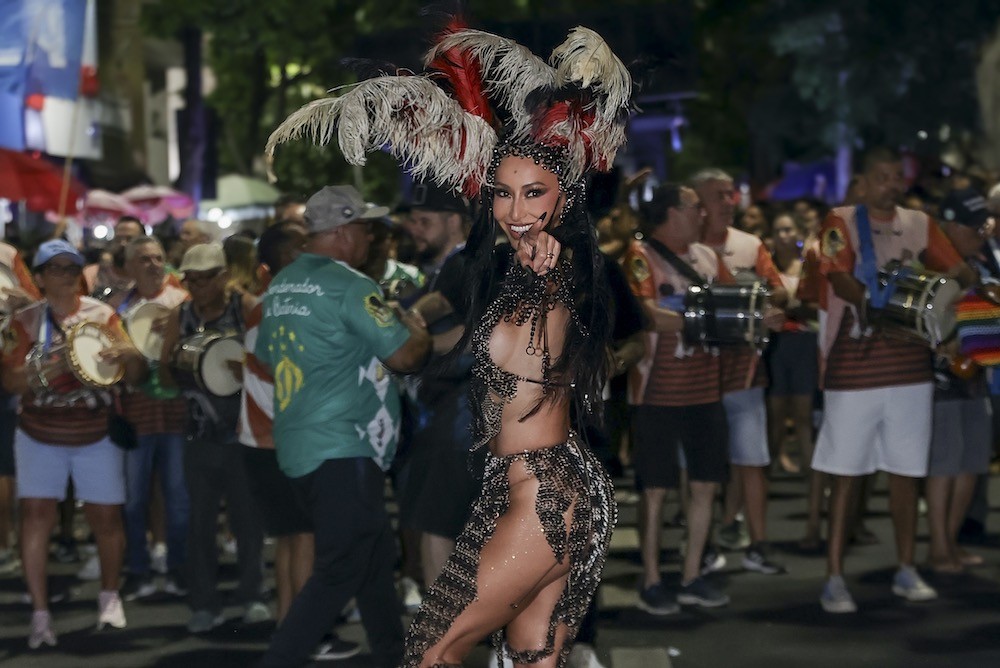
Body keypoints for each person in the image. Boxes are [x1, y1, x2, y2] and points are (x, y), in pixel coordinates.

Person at [265, 17, 631, 667]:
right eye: (503, 194)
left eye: (534, 194)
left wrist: (541, 268)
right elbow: (468, 345)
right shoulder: (509, 269)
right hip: (534, 485)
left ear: (566, 200)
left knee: (431, 649)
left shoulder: (557, 269)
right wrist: (421, 334)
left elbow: (551, 304)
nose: (516, 210)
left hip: (543, 492)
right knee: (530, 657)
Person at [254, 184, 429, 668]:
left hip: (299, 442)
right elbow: (405, 356)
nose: (371, 239)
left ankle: (397, 654)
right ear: (344, 232)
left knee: (374, 559)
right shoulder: (352, 286)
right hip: (344, 444)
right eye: (365, 229)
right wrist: (417, 329)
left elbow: (267, 357)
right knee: (340, 567)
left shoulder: (282, 284)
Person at [812, 147, 975, 613]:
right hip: (854, 366)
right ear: (863, 182)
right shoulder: (839, 221)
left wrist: (951, 313)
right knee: (846, 475)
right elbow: (839, 279)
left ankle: (907, 568)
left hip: (910, 369)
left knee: (907, 472)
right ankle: (834, 577)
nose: (891, 184)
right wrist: (877, 307)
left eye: (896, 177)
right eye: (881, 177)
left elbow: (959, 272)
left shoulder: (920, 223)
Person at [1, 239, 148, 647]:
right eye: (58, 268)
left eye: (73, 268)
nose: (67, 275)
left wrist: (129, 355)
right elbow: (9, 381)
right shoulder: (25, 321)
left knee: (106, 518)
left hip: (95, 431)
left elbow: (133, 374)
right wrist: (52, 367)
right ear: (42, 276)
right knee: (35, 517)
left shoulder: (103, 315)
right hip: (38, 434)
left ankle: (108, 596)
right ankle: (41, 614)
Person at [625, 183, 734, 612]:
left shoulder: (708, 258)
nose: (702, 215)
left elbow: (731, 303)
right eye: (694, 208)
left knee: (706, 482)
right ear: (672, 212)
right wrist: (704, 323)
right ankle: (652, 578)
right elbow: (646, 315)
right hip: (656, 391)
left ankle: (691, 574)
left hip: (706, 388)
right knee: (656, 489)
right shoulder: (640, 257)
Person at [159, 242, 266, 633]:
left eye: (206, 278)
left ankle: (253, 595)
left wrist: (246, 370)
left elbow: (272, 360)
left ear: (223, 276)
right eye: (191, 279)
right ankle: (203, 602)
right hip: (199, 434)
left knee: (248, 520)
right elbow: (166, 377)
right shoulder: (180, 314)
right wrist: (178, 363)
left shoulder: (248, 307)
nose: (198, 286)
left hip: (243, 433)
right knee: (199, 523)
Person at [694, 168, 787, 575]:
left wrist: (772, 306)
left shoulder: (750, 245)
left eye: (732, 194)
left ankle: (759, 542)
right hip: (697, 375)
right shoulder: (684, 250)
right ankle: (705, 542)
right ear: (696, 202)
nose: (730, 202)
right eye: (720, 195)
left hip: (746, 370)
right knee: (702, 466)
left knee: (752, 460)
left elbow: (778, 288)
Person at [117, 236, 191, 601]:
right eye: (144, 259)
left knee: (178, 496)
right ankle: (138, 570)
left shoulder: (182, 302)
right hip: (136, 413)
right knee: (133, 499)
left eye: (158, 258)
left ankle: (177, 567)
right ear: (130, 266)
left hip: (176, 413)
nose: (153, 264)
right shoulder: (118, 307)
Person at [926, 188, 994, 572]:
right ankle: (937, 548)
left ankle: (949, 543)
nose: (981, 232)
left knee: (971, 462)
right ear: (949, 225)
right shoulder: (930, 261)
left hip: (976, 373)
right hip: (941, 379)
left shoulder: (981, 260)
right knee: (946, 464)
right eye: (973, 226)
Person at [0, 240, 41, 574]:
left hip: (6, 372)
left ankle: (4, 543)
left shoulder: (8, 254)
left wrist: (22, 301)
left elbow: (35, 308)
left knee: (3, 466)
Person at [83, 216, 145, 307]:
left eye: (130, 239)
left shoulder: (148, 277)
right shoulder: (91, 274)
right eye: (118, 238)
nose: (123, 243)